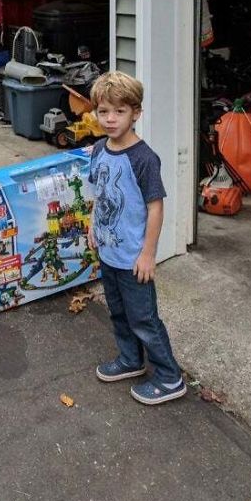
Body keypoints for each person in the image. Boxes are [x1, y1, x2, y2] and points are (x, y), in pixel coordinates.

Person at [87, 71, 186, 405]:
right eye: (103, 111)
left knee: (144, 319)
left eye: (119, 111)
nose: (110, 119)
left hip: (133, 259)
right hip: (109, 253)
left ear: (136, 114)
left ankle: (170, 378)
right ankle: (130, 360)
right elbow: (99, 194)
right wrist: (92, 225)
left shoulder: (143, 158)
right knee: (117, 312)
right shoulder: (99, 149)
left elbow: (155, 208)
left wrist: (148, 254)